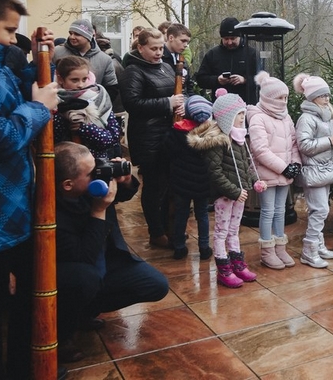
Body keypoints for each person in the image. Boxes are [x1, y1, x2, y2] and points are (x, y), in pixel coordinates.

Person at [0, 0, 60, 380]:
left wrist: (39, 57)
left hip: (15, 211)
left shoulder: (2, 64)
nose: (11, 39)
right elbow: (2, 135)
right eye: (7, 30)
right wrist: (38, 108)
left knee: (27, 300)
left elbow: (20, 92)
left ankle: (24, 368)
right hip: (1, 214)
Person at [54, 142, 169, 363]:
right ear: (68, 185)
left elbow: (123, 195)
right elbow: (84, 258)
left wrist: (125, 180)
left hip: (108, 261)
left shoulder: (87, 186)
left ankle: (84, 312)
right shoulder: (52, 212)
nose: (99, 173)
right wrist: (99, 210)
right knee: (86, 281)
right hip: (77, 273)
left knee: (156, 285)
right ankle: (62, 334)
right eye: (92, 172)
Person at [119, 28, 185, 248]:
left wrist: (182, 104)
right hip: (147, 138)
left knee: (170, 186)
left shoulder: (166, 67)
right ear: (140, 47)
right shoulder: (133, 71)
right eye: (153, 48)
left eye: (160, 48)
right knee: (154, 187)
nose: (158, 53)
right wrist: (167, 103)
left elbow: (179, 93)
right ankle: (156, 232)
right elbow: (133, 104)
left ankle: (169, 228)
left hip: (169, 134)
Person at [189, 89, 261, 287]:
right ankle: (223, 269)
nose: (242, 118)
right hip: (225, 195)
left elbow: (245, 165)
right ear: (227, 117)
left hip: (239, 194)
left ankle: (237, 264)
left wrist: (254, 180)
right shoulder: (218, 141)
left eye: (243, 114)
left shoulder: (239, 138)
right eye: (239, 114)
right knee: (222, 232)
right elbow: (215, 172)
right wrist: (234, 191)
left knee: (234, 230)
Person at [247, 71, 301, 270]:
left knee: (280, 211)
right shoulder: (258, 118)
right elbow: (260, 150)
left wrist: (295, 164)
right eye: (280, 98)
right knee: (268, 211)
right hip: (268, 174)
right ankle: (267, 251)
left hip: (285, 173)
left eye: (286, 97)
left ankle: (280, 247)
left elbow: (294, 143)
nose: (284, 102)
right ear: (269, 97)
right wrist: (284, 168)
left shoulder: (286, 117)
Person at [293, 73, 333, 269]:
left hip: (325, 169)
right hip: (313, 170)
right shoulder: (306, 118)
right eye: (323, 95)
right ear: (313, 97)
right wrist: (329, 141)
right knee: (320, 210)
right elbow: (304, 145)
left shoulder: (327, 116)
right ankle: (309, 250)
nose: (327, 98)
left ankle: (319, 245)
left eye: (328, 95)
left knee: (321, 209)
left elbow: (328, 142)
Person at [165, 95, 214, 260]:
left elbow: (167, 150)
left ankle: (179, 246)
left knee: (181, 214)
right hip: (202, 183)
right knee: (202, 215)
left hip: (181, 182)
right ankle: (204, 247)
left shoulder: (176, 131)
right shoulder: (210, 133)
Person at [54, 56, 121, 161]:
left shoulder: (99, 98)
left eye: (84, 79)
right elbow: (52, 139)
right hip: (66, 162)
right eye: (74, 80)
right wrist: (64, 118)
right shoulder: (53, 102)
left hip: (97, 161)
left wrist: (84, 128)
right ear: (60, 79)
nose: (80, 85)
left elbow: (112, 137)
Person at [53, 18, 120, 104]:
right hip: (60, 106)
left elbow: (111, 88)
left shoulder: (105, 59)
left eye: (77, 34)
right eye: (71, 33)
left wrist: (98, 105)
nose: (72, 37)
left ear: (88, 36)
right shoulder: (57, 52)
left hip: (92, 108)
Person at [195, 17, 258, 103]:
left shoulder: (251, 54)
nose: (229, 42)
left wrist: (245, 80)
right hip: (220, 106)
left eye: (233, 38)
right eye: (226, 39)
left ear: (240, 36)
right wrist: (217, 80)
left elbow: (262, 79)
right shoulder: (212, 54)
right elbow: (201, 79)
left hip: (246, 104)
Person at [162, 22, 194, 95]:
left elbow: (189, 87)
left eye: (187, 42)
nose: (186, 45)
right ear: (171, 38)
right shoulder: (158, 58)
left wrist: (192, 99)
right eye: (183, 41)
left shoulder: (183, 60)